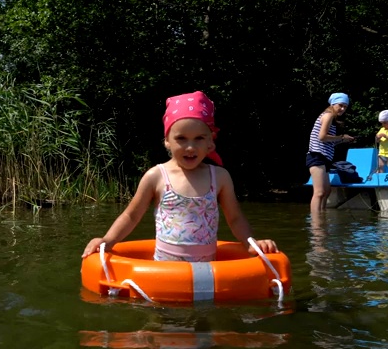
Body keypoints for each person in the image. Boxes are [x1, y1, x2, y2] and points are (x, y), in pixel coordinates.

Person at [82, 91, 278, 262]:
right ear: (167, 141)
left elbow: (235, 219)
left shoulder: (220, 177)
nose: (190, 147)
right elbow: (131, 216)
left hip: (207, 270)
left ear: (210, 141)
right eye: (181, 139)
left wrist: (252, 242)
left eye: (199, 138)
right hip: (165, 268)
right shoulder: (156, 176)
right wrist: (107, 240)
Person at [305, 92, 356, 213]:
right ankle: (316, 222)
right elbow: (322, 137)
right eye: (340, 105)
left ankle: (321, 217)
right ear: (333, 104)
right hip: (316, 156)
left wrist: (344, 139)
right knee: (319, 192)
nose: (343, 109)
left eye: (345, 107)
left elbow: (328, 141)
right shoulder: (328, 115)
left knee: (326, 191)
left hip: (324, 157)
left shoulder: (331, 118)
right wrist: (342, 137)